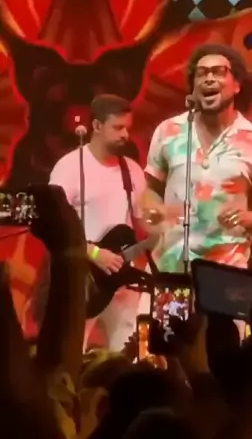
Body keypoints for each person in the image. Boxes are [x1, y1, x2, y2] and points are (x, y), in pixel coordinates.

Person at [140, 44, 252, 337]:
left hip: (226, 277)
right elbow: (149, 190)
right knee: (163, 352)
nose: (209, 79)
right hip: (170, 270)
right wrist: (154, 210)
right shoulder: (168, 132)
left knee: (222, 355)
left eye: (218, 72)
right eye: (201, 73)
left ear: (237, 84)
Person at [49, 94, 146, 351]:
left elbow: (146, 221)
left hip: (123, 284)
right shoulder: (69, 167)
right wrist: (94, 253)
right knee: (70, 355)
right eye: (118, 127)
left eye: (128, 128)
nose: (126, 135)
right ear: (97, 126)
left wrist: (169, 220)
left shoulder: (132, 170)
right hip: (81, 280)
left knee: (128, 357)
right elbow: (52, 225)